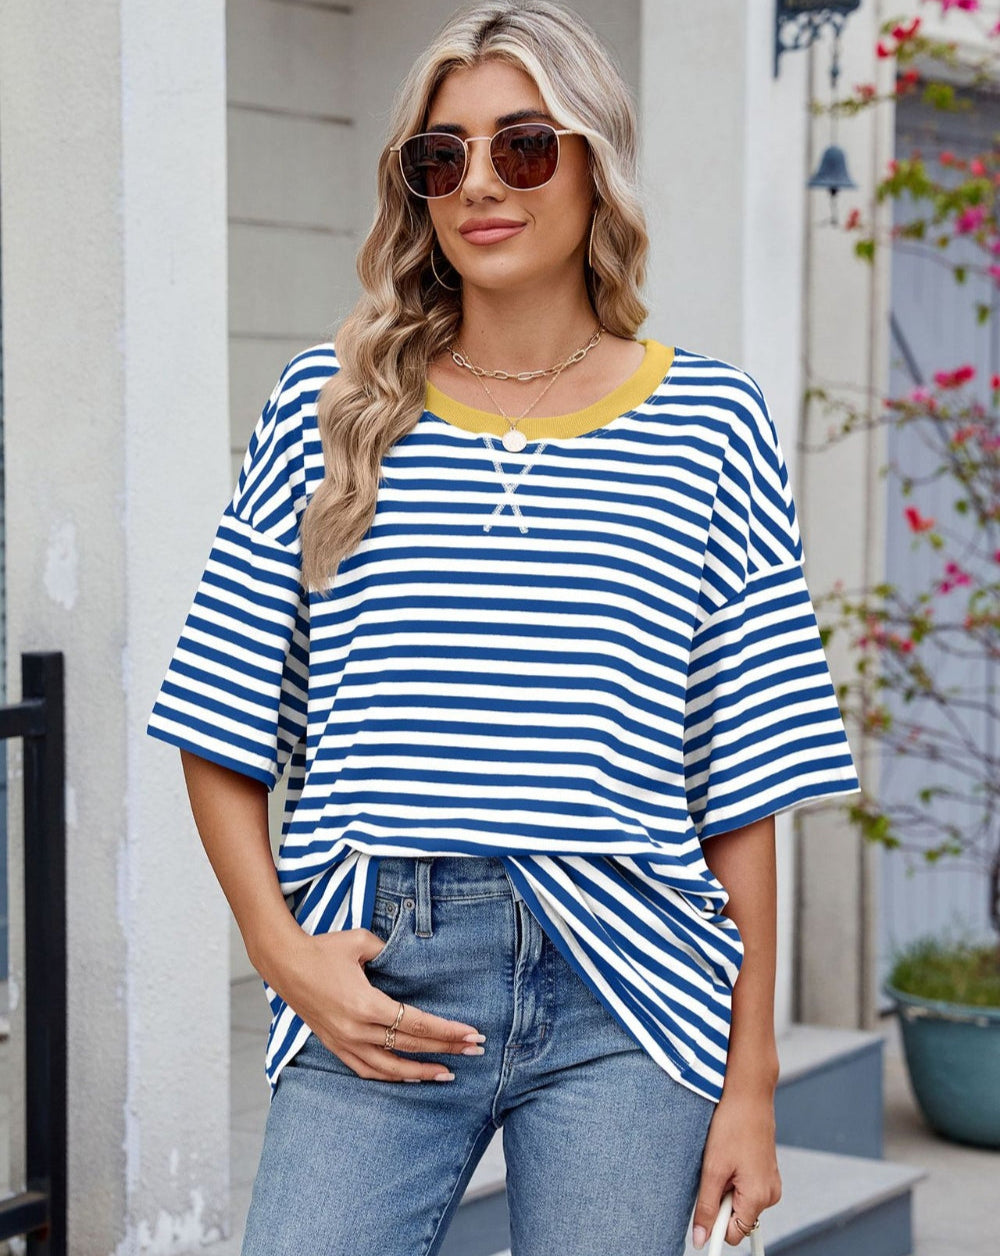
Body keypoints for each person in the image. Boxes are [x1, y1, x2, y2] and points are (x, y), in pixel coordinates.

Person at [146, 2, 862, 1252]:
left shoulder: (712, 422)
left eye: (523, 146)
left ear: (595, 164)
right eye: (443, 157)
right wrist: (279, 948)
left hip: (632, 987)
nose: (479, 182)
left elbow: (742, 775)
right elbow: (218, 713)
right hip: (380, 965)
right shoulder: (329, 407)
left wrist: (751, 1083)